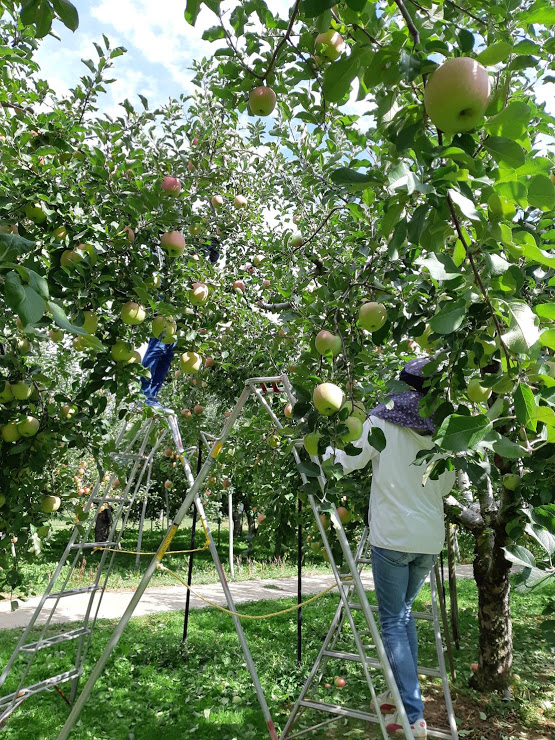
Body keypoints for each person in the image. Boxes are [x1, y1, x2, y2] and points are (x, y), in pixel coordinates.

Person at [323, 358, 455, 739]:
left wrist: (313, 454)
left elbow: (346, 462)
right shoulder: (446, 430)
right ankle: (395, 694)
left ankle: (413, 716)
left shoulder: (384, 417)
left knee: (394, 621)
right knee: (404, 615)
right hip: (429, 540)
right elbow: (445, 487)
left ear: (405, 384)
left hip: (393, 538)